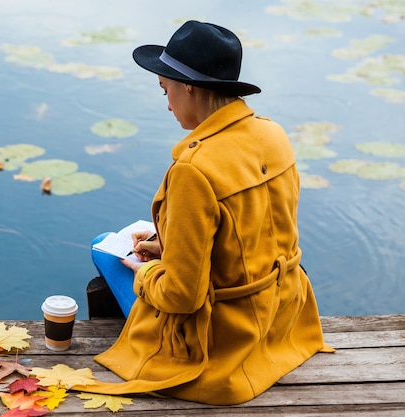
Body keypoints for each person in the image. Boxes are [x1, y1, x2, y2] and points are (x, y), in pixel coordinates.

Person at [84, 20, 332, 405]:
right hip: (282, 319)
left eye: (166, 90)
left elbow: (183, 297)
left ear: (189, 87)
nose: (167, 103)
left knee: (104, 247)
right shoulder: (273, 134)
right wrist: (166, 244)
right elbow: (249, 234)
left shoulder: (193, 171)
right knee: (144, 246)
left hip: (223, 342)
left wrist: (147, 272)